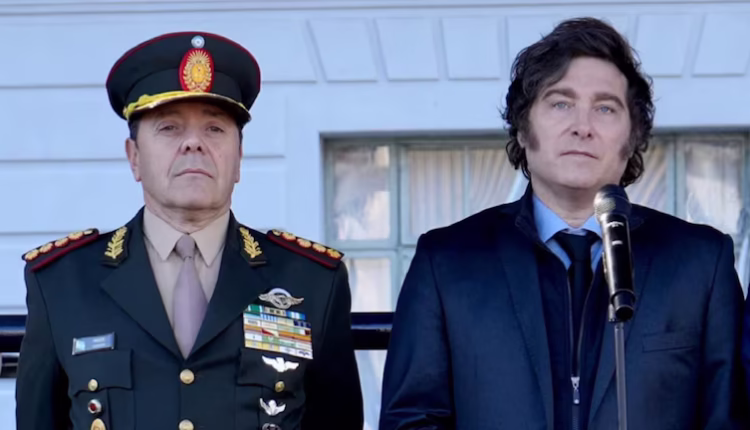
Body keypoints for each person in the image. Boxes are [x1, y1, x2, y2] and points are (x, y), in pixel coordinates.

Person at [380, 17, 747, 430]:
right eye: (560, 103)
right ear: (523, 129)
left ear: (632, 137)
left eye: (605, 108)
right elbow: (411, 420)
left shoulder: (701, 262)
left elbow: (729, 419)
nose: (582, 127)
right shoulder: (447, 261)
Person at [16, 31, 363, 430]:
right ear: (134, 157)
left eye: (214, 129)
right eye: (169, 128)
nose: (194, 143)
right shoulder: (62, 282)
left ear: (238, 158)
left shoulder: (312, 281)